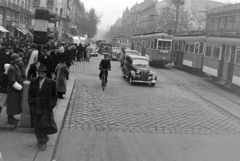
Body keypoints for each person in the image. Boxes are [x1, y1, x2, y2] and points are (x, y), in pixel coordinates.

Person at [28, 64, 58, 151]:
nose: (40, 75)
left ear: (45, 74)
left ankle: (44, 141)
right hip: (35, 106)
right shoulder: (33, 81)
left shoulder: (51, 82)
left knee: (44, 124)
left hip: (46, 107)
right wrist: (31, 102)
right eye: (39, 73)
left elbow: (54, 96)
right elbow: (30, 93)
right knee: (36, 125)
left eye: (42, 73)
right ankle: (39, 140)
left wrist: (51, 105)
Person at [7, 54, 24, 124]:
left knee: (15, 104)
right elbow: (12, 81)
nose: (20, 61)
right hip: (13, 90)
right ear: (16, 61)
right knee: (11, 104)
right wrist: (21, 88)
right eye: (19, 60)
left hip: (16, 90)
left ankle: (12, 117)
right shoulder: (11, 68)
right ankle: (10, 119)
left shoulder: (15, 67)